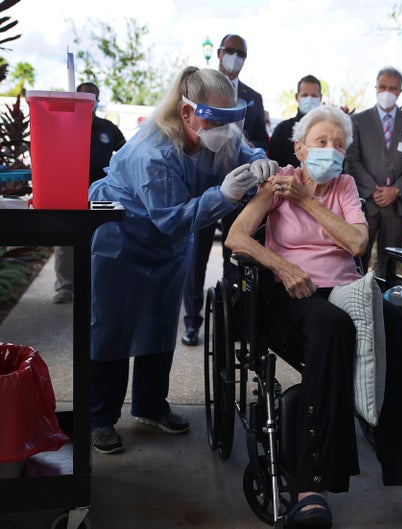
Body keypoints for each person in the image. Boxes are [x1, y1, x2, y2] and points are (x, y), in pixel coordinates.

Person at [224, 105, 402, 528]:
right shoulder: (279, 183)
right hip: (293, 292)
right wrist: (283, 267)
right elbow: (236, 237)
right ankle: (312, 489)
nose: (331, 150)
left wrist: (307, 201)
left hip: (346, 290)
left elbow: (358, 243)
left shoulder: (344, 187)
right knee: (331, 325)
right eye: (321, 142)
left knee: (396, 327)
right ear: (301, 149)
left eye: (338, 144)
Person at [88, 66, 277, 454]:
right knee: (111, 330)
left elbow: (245, 149)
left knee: (159, 325)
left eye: (230, 119)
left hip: (168, 249)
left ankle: (151, 406)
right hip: (121, 242)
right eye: (216, 119)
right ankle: (99, 418)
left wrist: (259, 160)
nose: (224, 130)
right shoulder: (151, 151)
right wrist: (223, 196)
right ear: (187, 113)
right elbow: (172, 219)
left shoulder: (217, 136)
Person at [180, 32, 270, 347]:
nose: (234, 57)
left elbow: (260, 139)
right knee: (196, 258)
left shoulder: (253, 97)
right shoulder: (200, 88)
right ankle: (192, 322)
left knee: (237, 258)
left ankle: (233, 319)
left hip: (241, 191)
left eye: (240, 53)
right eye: (230, 51)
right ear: (219, 53)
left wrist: (256, 159)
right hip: (203, 190)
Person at [346, 66, 402, 276]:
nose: (387, 92)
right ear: (375, 88)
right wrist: (373, 189)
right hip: (365, 202)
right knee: (356, 259)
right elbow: (352, 159)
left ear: (400, 91)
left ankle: (385, 305)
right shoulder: (357, 122)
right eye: (382, 87)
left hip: (398, 205)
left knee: (389, 263)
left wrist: (395, 190)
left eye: (392, 88)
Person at [52, 82, 126, 304]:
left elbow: (125, 154)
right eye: (84, 98)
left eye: (93, 99)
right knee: (65, 242)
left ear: (97, 101)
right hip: (69, 192)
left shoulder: (108, 128)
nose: (89, 103)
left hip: (100, 195)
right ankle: (65, 287)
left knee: (98, 242)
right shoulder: (65, 124)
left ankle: (93, 286)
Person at [268, 74, 323, 168]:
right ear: (297, 97)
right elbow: (274, 165)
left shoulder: (328, 130)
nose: (309, 99)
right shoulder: (283, 129)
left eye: (313, 96)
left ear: (320, 98)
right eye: (305, 95)